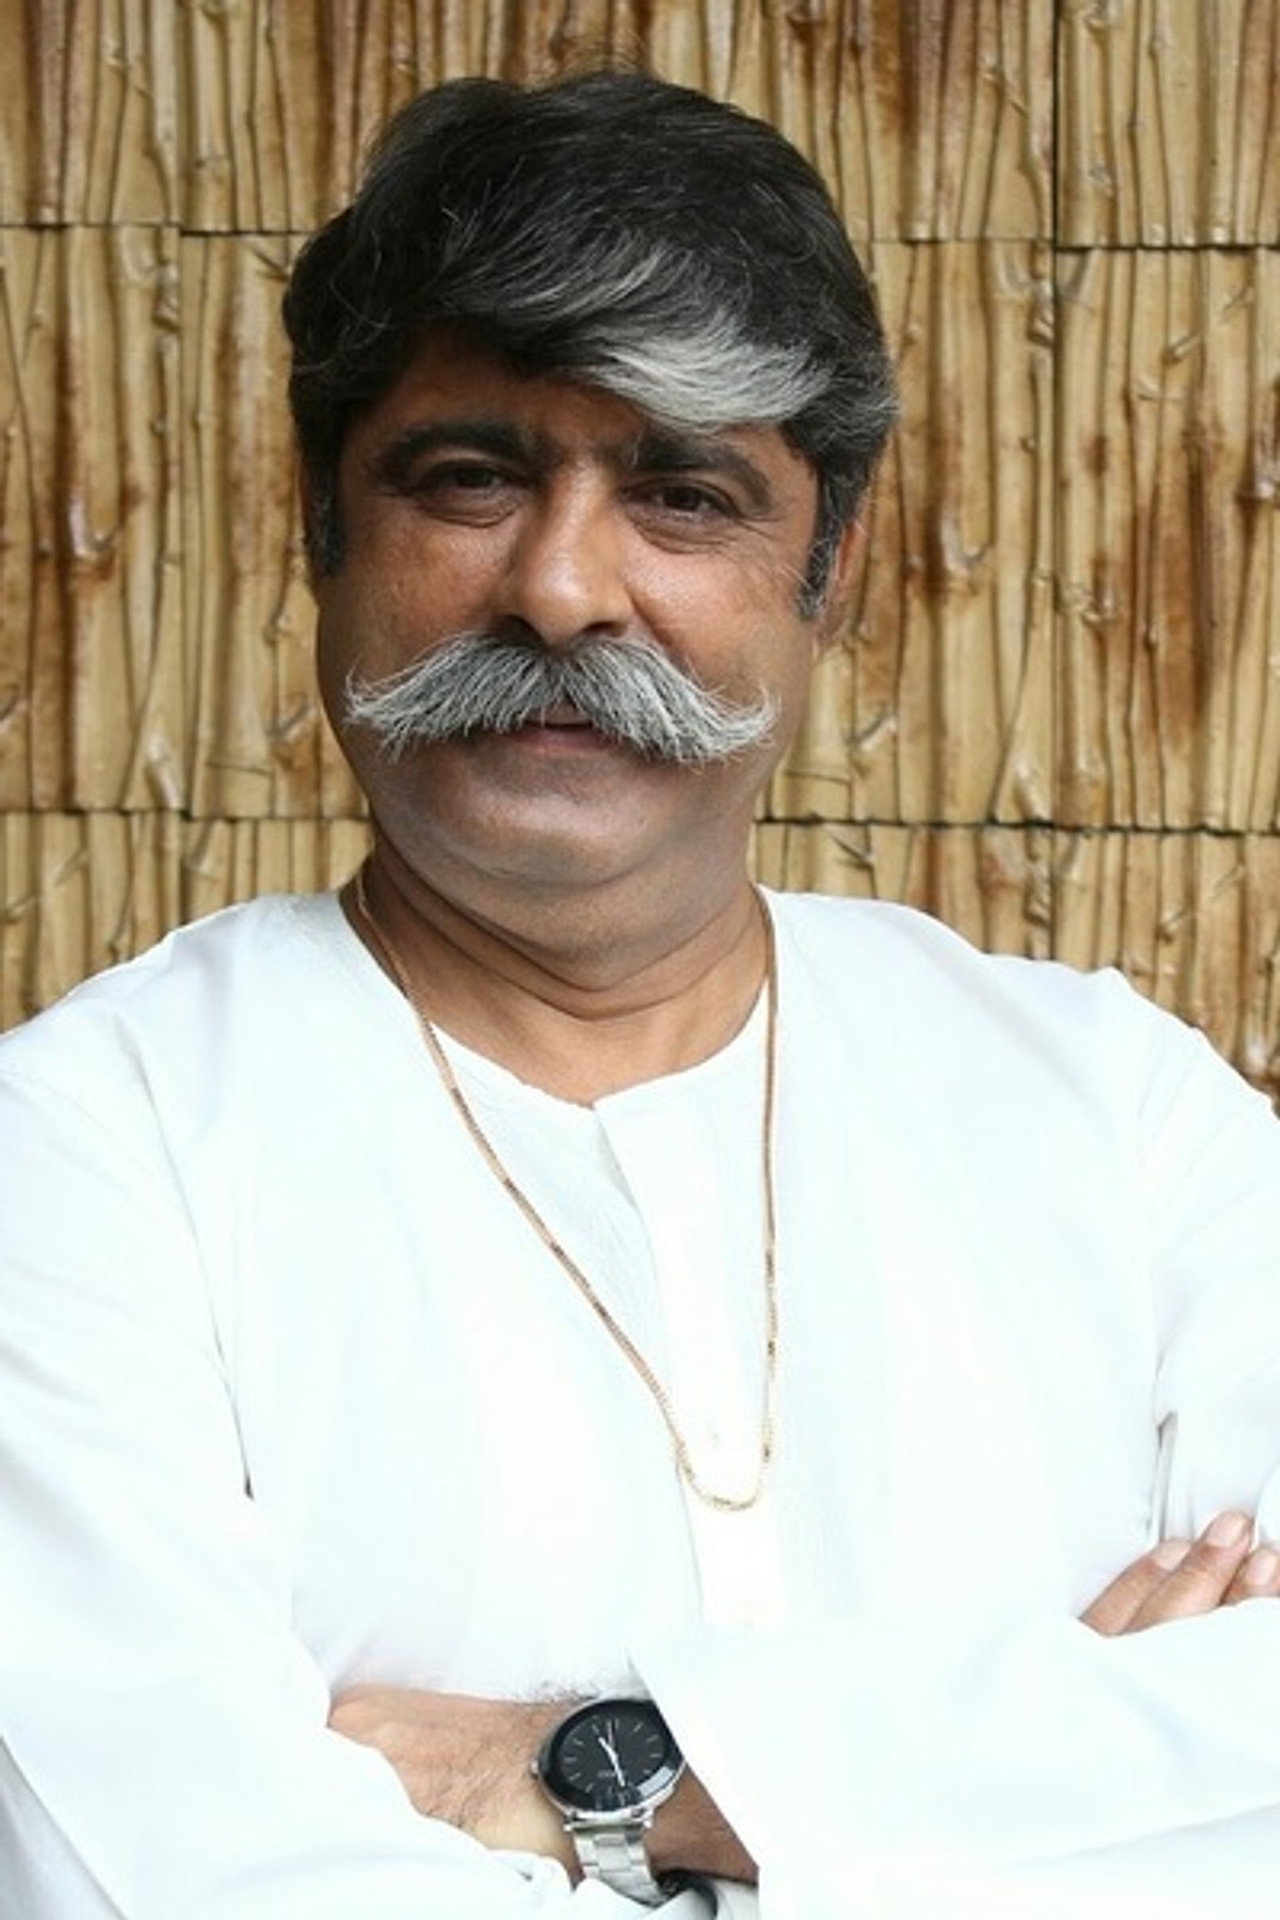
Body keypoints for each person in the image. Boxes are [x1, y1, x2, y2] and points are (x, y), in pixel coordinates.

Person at [2, 67, 1280, 1920]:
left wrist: (593, 1774)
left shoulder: (1124, 1118)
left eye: (683, 494)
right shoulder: (78, 1158)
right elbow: (166, 1880)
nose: (563, 589)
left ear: (827, 571)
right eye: (470, 478)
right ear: (321, 528)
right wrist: (1076, 1770)